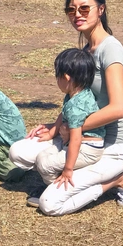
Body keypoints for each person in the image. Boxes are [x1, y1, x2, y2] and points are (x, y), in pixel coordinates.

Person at [9, 0, 123, 214]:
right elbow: (76, 100)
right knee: (18, 151)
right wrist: (54, 128)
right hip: (83, 136)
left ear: (101, 9)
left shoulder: (111, 49)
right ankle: (74, 172)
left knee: (49, 205)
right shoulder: (86, 51)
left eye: (84, 8)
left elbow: (118, 108)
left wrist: (74, 127)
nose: (77, 14)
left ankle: (118, 180)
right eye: (71, 9)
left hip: (114, 144)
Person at [36, 48, 103, 190]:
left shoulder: (75, 107)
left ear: (66, 78)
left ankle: (55, 189)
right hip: (82, 144)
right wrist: (51, 133)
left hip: (87, 150)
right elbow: (62, 114)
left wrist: (68, 169)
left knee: (44, 164)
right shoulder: (79, 92)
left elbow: (76, 140)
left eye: (57, 76)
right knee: (42, 156)